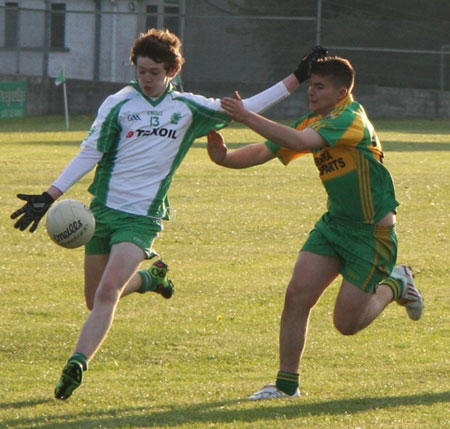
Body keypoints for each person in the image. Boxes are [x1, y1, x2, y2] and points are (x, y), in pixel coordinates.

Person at [10, 29, 326, 400]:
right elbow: (90, 153)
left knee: (108, 292)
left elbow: (247, 109)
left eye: (154, 72)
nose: (146, 78)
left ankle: (77, 362)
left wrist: (297, 77)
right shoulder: (118, 104)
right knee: (94, 299)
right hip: (102, 213)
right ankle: (151, 279)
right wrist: (49, 196)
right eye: (141, 70)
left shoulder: (188, 108)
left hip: (141, 218)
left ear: (171, 72)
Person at [207, 55, 424, 400]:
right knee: (297, 296)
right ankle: (286, 386)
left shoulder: (351, 119)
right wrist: (224, 158)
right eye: (311, 86)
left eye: (320, 87)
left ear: (341, 92)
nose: (311, 92)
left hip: (371, 236)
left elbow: (301, 143)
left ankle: (396, 283)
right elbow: (268, 149)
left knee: (346, 324)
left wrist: (246, 115)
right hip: (334, 226)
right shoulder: (316, 119)